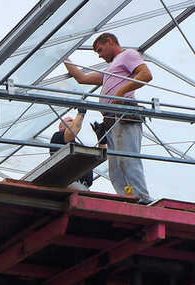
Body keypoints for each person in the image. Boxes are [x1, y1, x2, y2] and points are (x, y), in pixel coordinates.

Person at [63, 32, 153, 203]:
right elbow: (81, 78)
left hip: (123, 114)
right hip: (110, 119)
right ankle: (126, 198)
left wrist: (120, 92)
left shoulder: (128, 55)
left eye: (100, 49)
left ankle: (142, 197)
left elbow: (145, 74)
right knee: (115, 168)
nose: (99, 54)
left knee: (127, 159)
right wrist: (64, 57)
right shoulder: (109, 71)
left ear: (110, 41)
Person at [48, 111, 95, 190]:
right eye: (70, 121)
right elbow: (71, 132)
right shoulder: (57, 137)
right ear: (61, 127)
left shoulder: (79, 146)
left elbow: (101, 158)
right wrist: (81, 113)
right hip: (70, 184)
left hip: (84, 187)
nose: (74, 122)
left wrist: (102, 141)